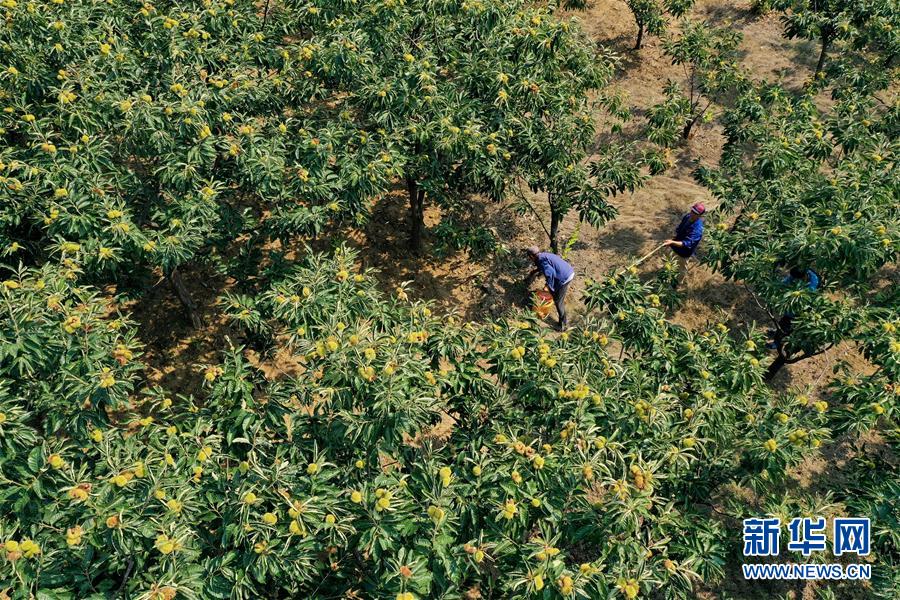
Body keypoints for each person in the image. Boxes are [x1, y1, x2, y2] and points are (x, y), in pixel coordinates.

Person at [766, 267, 821, 350]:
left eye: (797, 279)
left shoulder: (813, 282)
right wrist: (776, 286)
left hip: (802, 305)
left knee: (787, 323)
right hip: (794, 300)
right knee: (785, 320)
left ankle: (776, 343)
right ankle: (777, 332)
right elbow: (786, 281)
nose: (794, 280)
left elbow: (806, 298)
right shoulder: (800, 272)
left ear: (803, 277)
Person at [525, 246, 574, 331]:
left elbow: (550, 273)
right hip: (568, 270)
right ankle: (554, 295)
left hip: (564, 277)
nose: (530, 259)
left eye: (529, 257)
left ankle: (563, 325)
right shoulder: (543, 255)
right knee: (555, 293)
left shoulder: (540, 260)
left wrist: (547, 285)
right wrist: (535, 271)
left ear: (531, 256)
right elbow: (546, 265)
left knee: (558, 301)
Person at [663, 202, 705, 285]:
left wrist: (672, 242)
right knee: (669, 261)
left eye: (695, 213)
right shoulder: (688, 216)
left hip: (683, 252)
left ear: (700, 215)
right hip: (674, 245)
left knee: (681, 270)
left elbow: (687, 243)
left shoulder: (697, 229)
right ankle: (668, 274)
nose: (692, 213)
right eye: (692, 211)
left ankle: (677, 284)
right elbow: (680, 227)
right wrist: (674, 237)